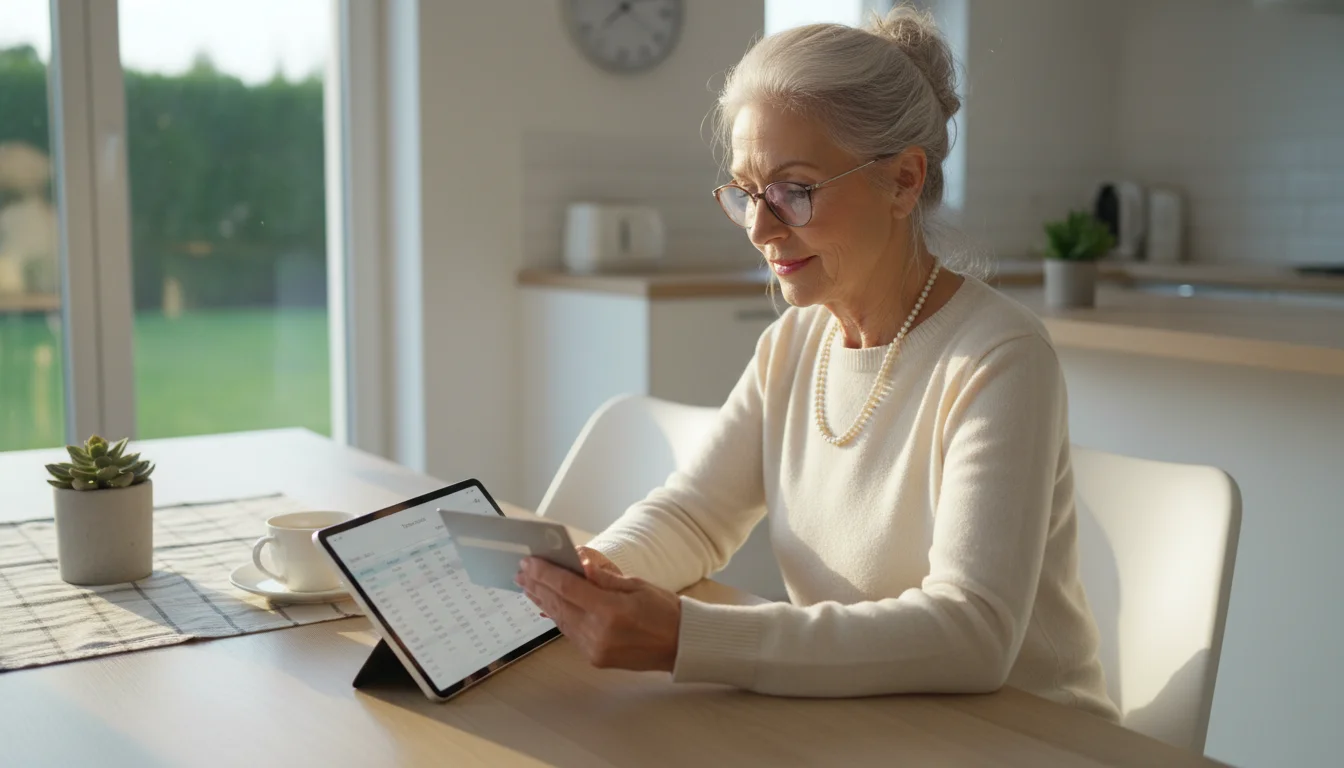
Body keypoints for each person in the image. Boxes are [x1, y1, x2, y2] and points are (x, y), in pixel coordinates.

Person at [515, 5, 1119, 720]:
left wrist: (688, 637)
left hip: (1029, 740)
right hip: (871, 723)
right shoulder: (794, 345)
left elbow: (974, 630)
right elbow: (696, 517)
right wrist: (595, 579)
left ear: (902, 181)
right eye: (745, 193)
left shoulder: (998, 357)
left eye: (794, 190)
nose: (762, 228)